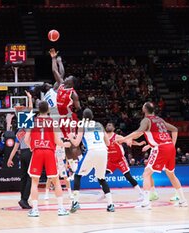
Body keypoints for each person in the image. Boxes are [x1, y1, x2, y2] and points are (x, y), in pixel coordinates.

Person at [117, 102, 188, 209]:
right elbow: (174, 129)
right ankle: (183, 201)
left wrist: (124, 138)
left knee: (146, 173)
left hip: (160, 148)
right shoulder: (160, 120)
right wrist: (172, 144)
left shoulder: (146, 120)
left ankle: (146, 202)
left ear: (144, 109)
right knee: (171, 175)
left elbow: (138, 132)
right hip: (169, 147)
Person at [24, 101, 71, 217]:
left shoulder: (32, 121)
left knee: (34, 182)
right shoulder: (53, 122)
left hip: (37, 151)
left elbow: (26, 139)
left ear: (38, 109)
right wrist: (65, 145)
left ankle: (35, 210)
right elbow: (57, 141)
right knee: (55, 181)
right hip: (49, 152)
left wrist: (32, 147)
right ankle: (60, 209)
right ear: (48, 110)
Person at [68, 108, 115, 213]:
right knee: (101, 178)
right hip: (103, 151)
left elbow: (76, 143)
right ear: (92, 116)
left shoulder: (82, 125)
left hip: (92, 151)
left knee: (77, 175)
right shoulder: (100, 125)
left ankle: (75, 202)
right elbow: (108, 143)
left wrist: (71, 137)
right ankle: (110, 204)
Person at [49, 48, 82, 176]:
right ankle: (71, 167)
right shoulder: (61, 84)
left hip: (69, 118)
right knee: (64, 143)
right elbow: (55, 71)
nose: (66, 77)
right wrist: (53, 58)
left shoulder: (73, 94)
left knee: (72, 142)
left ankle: (78, 162)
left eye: (69, 77)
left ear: (72, 82)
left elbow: (78, 108)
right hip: (60, 118)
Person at [105, 122, 144, 201]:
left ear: (113, 128)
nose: (109, 125)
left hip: (120, 160)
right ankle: (105, 192)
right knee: (100, 176)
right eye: (107, 124)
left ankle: (141, 193)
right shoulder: (103, 137)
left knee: (128, 176)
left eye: (110, 124)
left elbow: (128, 139)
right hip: (110, 161)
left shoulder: (117, 137)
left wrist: (138, 144)